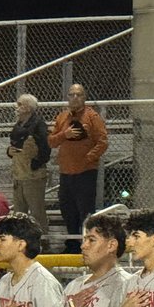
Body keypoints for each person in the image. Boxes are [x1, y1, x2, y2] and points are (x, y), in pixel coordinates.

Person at [49, 83, 108, 247]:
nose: (75, 98)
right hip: (66, 172)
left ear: (84, 97)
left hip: (85, 172)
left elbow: (102, 142)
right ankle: (73, 244)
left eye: (79, 94)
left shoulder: (92, 117)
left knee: (86, 211)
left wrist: (88, 158)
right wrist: (64, 134)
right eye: (72, 94)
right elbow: (51, 141)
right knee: (67, 209)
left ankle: (89, 244)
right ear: (67, 97)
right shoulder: (62, 117)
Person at [8, 94, 51, 234]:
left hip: (33, 177)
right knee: (19, 212)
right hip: (18, 174)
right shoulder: (18, 124)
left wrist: (34, 165)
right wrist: (9, 151)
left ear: (28, 108)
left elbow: (45, 149)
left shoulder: (38, 124)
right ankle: (20, 240)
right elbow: (14, 145)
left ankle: (42, 240)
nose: (17, 108)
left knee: (37, 211)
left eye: (20, 105)